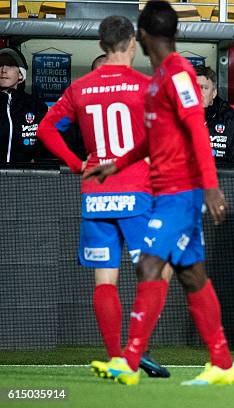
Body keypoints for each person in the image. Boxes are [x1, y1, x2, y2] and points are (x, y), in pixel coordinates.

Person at [85, 0, 234, 386]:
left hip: (182, 193)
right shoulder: (157, 79)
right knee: (191, 276)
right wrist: (117, 164)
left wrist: (210, 187)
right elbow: (155, 139)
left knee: (149, 265)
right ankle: (222, 362)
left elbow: (197, 131)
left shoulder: (178, 74)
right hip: (165, 190)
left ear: (140, 35)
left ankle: (129, 360)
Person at [36, 15, 171, 379]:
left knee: (104, 280)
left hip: (96, 191)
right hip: (136, 190)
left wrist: (77, 163)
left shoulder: (81, 87)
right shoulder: (145, 87)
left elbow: (45, 128)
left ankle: (116, 358)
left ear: (100, 46)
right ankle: (133, 351)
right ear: (132, 43)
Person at [0, 47, 49, 164]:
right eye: (0, 64)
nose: (3, 70)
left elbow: (48, 143)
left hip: (25, 178)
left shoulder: (37, 106)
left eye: (10, 65)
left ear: (21, 75)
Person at [194, 65, 234, 168]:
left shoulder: (231, 119)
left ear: (214, 93)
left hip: (220, 182)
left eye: (204, 88)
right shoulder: (172, 117)